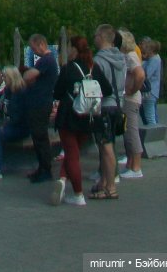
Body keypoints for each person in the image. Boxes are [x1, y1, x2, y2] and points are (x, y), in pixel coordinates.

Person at [50, 36, 112, 206]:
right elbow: (107, 89)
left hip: (69, 116)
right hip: (90, 116)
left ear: (74, 49)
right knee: (74, 152)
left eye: (69, 47)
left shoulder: (68, 68)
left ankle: (78, 194)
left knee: (71, 154)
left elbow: (57, 92)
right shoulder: (94, 67)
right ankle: (63, 179)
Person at [90, 24, 126, 200]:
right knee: (109, 143)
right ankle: (104, 182)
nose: (94, 38)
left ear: (102, 37)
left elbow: (98, 88)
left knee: (106, 146)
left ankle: (110, 187)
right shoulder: (122, 58)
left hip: (104, 105)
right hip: (118, 105)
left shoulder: (98, 60)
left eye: (96, 35)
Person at [23, 34, 59, 183]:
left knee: (41, 136)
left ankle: (46, 169)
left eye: (33, 48)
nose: (33, 51)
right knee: (38, 137)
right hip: (39, 102)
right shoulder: (47, 61)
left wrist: (27, 75)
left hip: (41, 103)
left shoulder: (46, 60)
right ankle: (42, 167)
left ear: (41, 45)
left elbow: (29, 75)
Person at [120, 30, 145, 179]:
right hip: (127, 98)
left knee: (132, 132)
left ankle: (136, 167)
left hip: (131, 99)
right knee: (127, 133)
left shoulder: (130, 56)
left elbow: (140, 74)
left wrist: (133, 89)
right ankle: (130, 164)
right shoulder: (127, 55)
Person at [140, 38, 162, 125]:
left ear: (152, 50)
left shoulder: (154, 60)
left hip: (150, 91)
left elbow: (147, 74)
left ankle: (153, 134)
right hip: (151, 91)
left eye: (147, 48)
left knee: (150, 116)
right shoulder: (152, 59)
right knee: (149, 114)